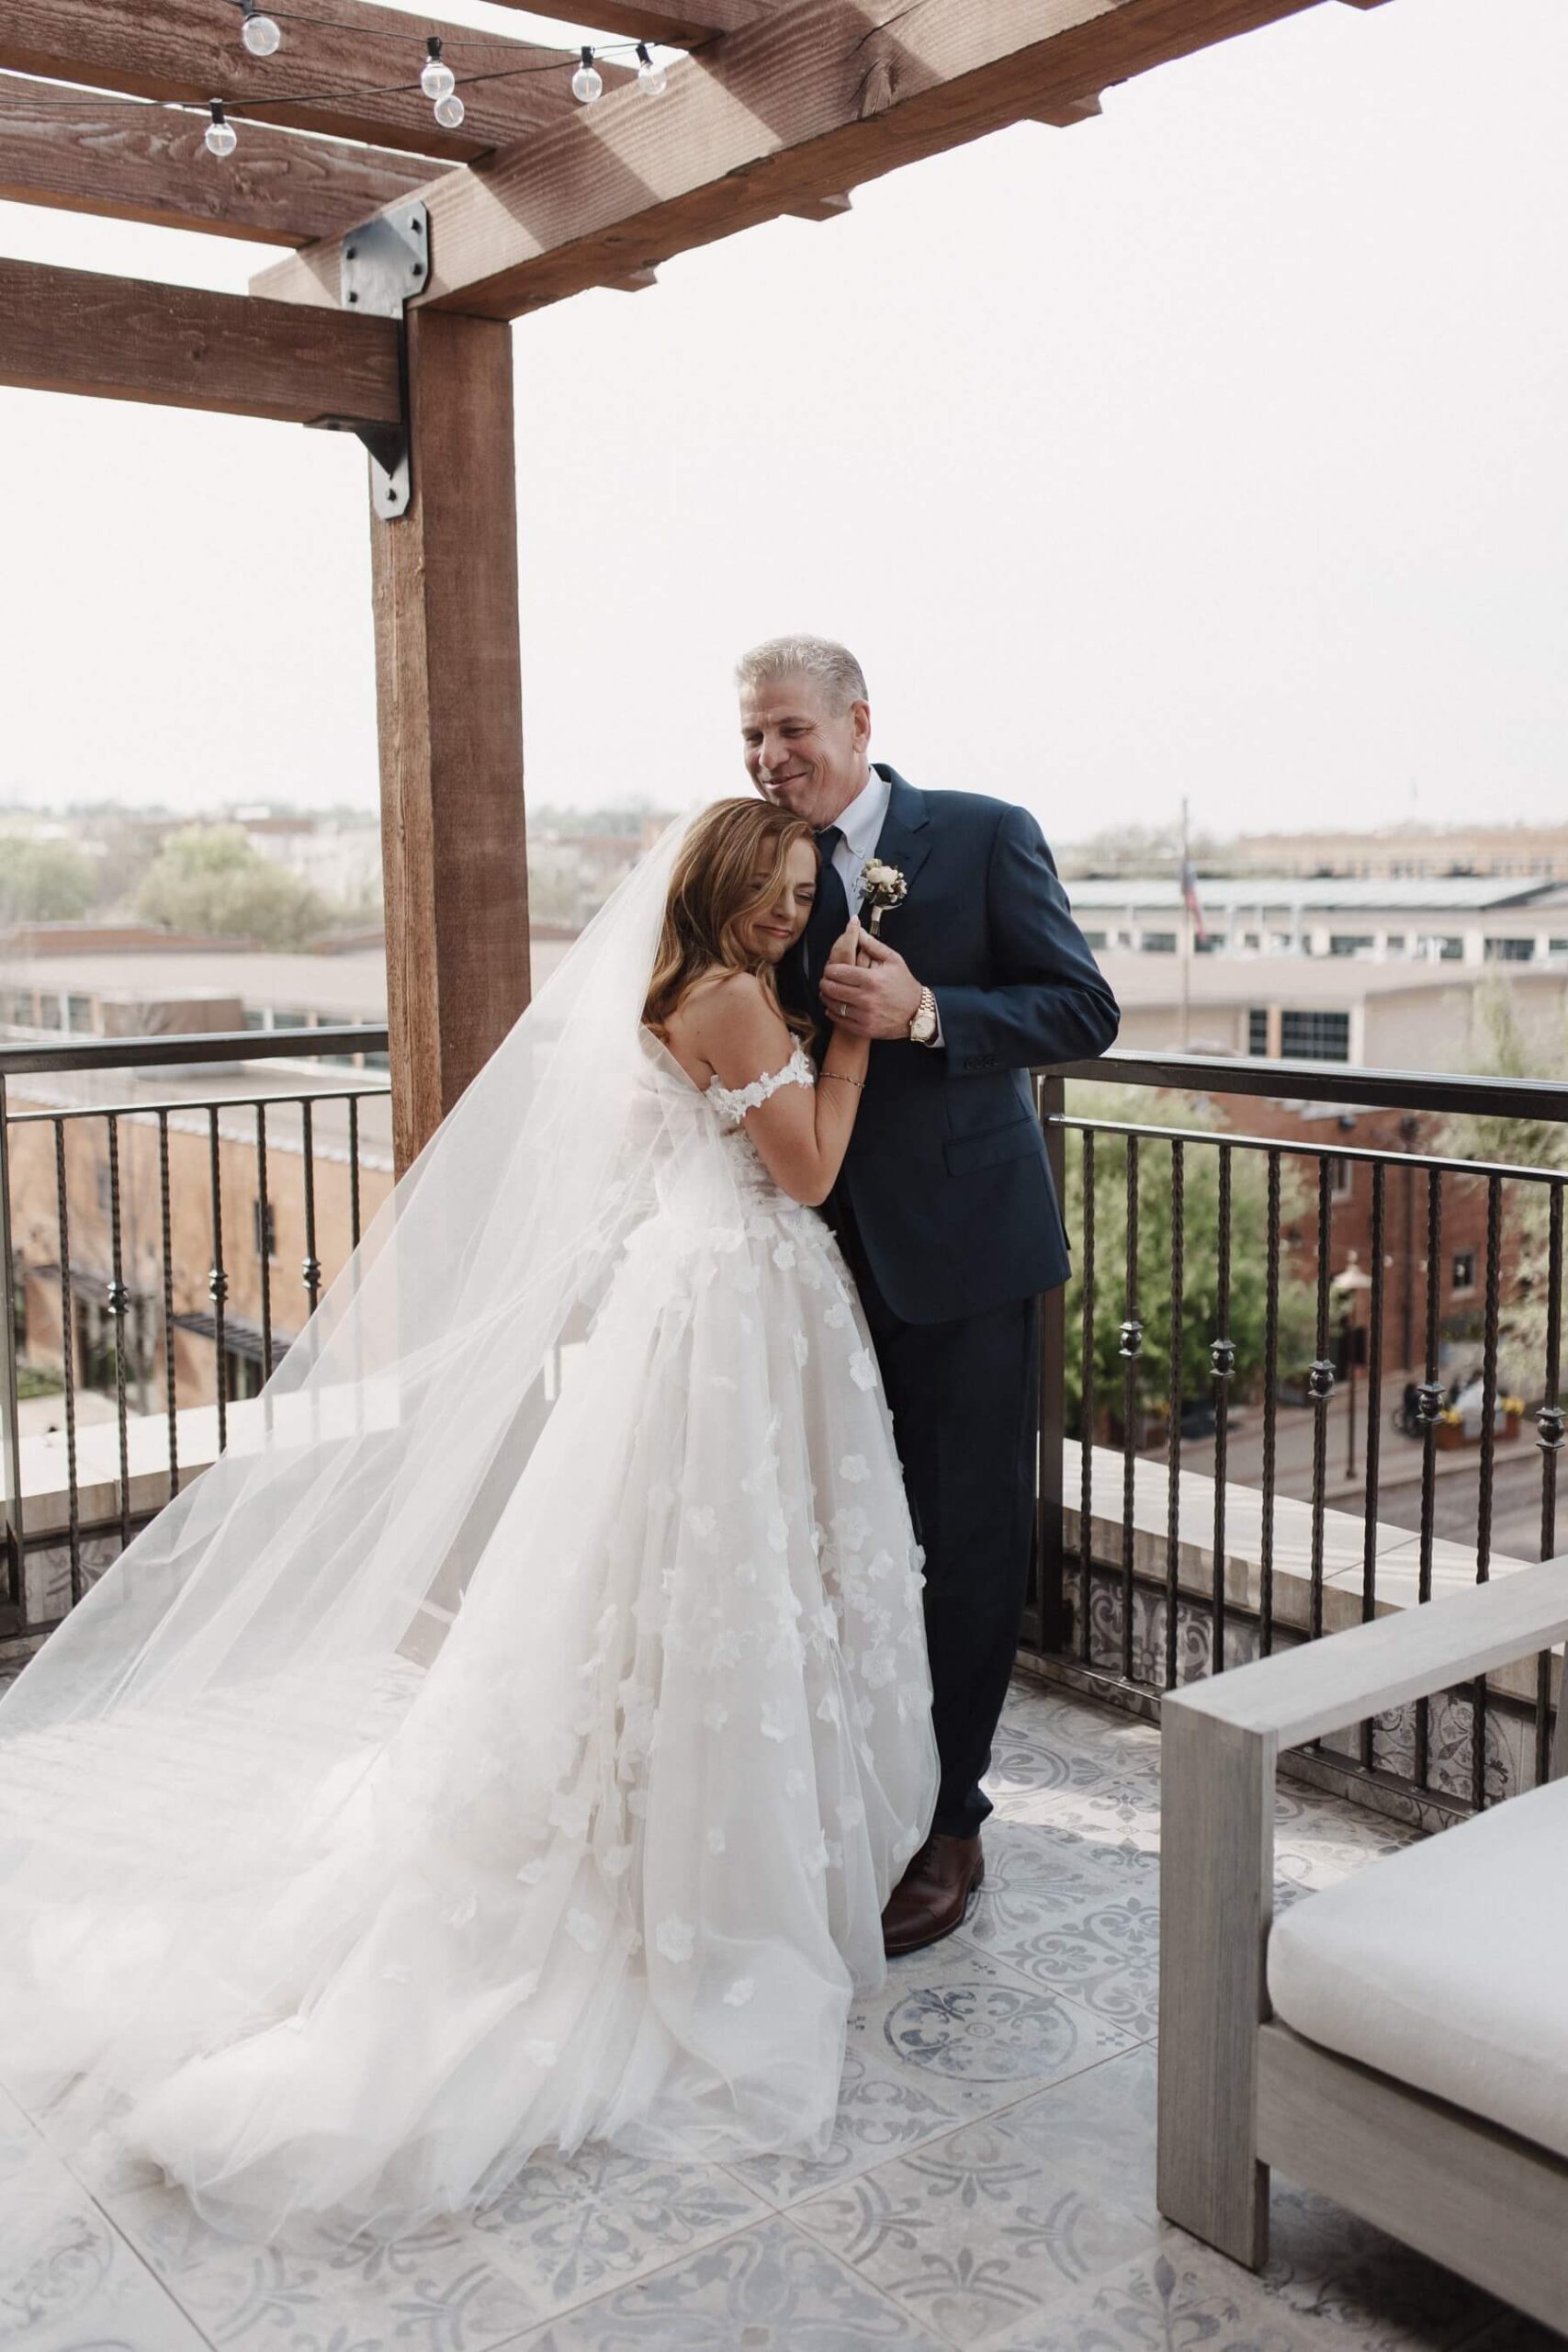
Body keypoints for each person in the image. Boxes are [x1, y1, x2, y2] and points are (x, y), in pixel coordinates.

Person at [0, 797, 937, 2245]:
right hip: (735, 1306)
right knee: (711, 1587)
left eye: (808, 884)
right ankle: (692, 1871)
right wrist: (861, 1037)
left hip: (694, 1307)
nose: (792, 908)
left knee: (653, 1593)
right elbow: (805, 1167)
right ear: (723, 884)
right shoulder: (737, 998)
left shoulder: (669, 990)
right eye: (773, 884)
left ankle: (674, 1822)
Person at [738, 635, 1120, 1953]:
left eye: (789, 729)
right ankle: (866, 1778)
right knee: (845, 1538)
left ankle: (951, 1820)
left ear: (856, 720)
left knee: (964, 1550)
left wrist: (930, 1012)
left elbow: (1082, 1009)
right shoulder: (756, 859)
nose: (771, 756)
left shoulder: (983, 832)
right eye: (751, 737)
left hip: (966, 1259)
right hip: (813, 1262)